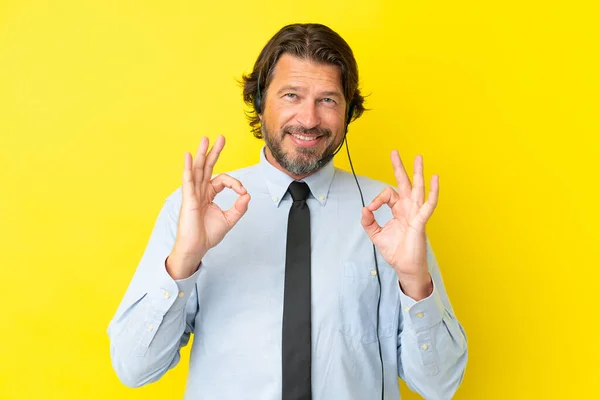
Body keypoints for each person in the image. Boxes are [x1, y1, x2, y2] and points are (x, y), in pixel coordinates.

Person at [107, 23, 468, 400]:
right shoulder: (196, 210)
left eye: (328, 100)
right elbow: (135, 369)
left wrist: (416, 282)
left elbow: (440, 387)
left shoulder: (392, 216)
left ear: (349, 111)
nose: (309, 119)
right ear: (261, 102)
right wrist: (183, 262)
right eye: (292, 95)